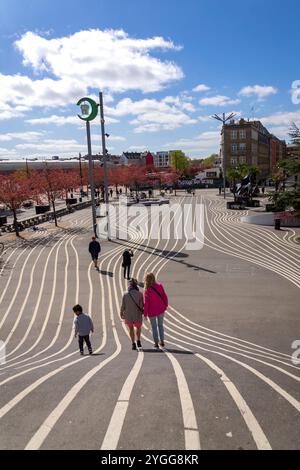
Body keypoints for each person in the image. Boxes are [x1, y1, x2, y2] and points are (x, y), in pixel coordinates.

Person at [143, 273, 168, 349]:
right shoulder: (160, 286)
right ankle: (162, 341)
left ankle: (156, 343)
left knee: (154, 327)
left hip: (152, 311)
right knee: (160, 325)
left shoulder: (147, 290)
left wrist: (145, 314)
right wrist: (165, 305)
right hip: (161, 309)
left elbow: (146, 304)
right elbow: (164, 296)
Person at [120, 279, 144, 350]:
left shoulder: (125, 294)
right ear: (136, 285)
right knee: (138, 328)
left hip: (128, 314)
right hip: (137, 314)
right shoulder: (140, 294)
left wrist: (121, 312)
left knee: (130, 329)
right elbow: (141, 305)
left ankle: (133, 343)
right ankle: (138, 340)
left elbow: (123, 305)